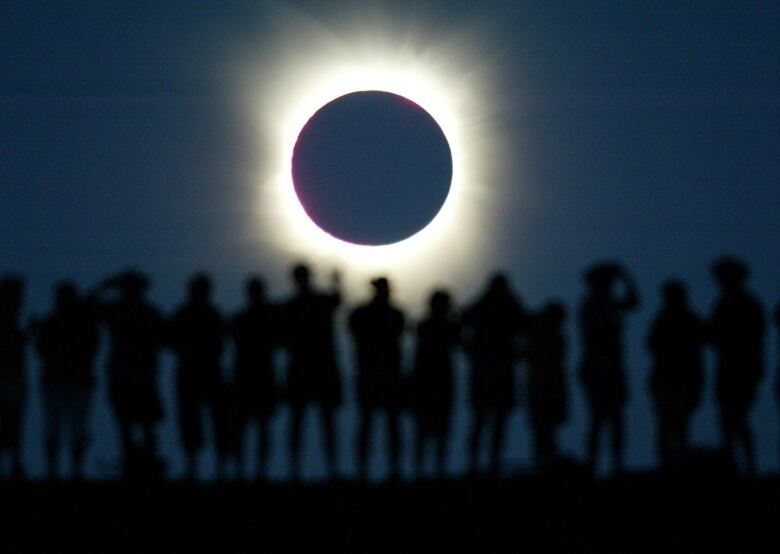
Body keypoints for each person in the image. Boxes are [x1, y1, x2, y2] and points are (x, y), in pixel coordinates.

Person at [92, 269, 166, 478]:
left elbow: (167, 339)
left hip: (141, 379)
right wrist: (107, 284)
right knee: (127, 424)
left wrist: (107, 285)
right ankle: (132, 462)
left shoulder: (149, 312)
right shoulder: (119, 310)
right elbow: (87, 304)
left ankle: (146, 462)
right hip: (124, 378)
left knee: (145, 425)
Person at [279, 264, 342, 480]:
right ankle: (325, 470)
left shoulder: (290, 306)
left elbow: (282, 340)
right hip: (316, 369)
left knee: (308, 421)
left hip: (305, 369)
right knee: (317, 421)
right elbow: (337, 300)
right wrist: (336, 281)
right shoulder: (315, 303)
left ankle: (298, 471)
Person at [461, 273, 525, 476]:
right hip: (492, 367)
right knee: (489, 419)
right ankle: (482, 465)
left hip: (493, 367)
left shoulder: (487, 305)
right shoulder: (498, 305)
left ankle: (484, 465)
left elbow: (525, 328)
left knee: (490, 419)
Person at [579, 261, 639, 476]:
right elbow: (632, 302)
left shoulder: (601, 303)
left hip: (608, 367)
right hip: (599, 367)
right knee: (601, 420)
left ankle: (612, 466)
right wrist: (624, 275)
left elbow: (633, 302)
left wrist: (624, 275)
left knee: (611, 420)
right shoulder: (594, 304)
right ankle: (597, 466)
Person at [36, 281, 100, 479]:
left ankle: (66, 469)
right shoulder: (79, 324)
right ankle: (66, 469)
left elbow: (41, 350)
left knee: (67, 427)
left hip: (68, 381)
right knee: (67, 427)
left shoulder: (52, 323)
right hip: (67, 381)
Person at [168, 273, 226, 480]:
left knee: (208, 422)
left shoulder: (204, 314)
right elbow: (171, 341)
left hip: (201, 373)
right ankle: (199, 468)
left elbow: (170, 342)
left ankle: (208, 468)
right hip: (197, 374)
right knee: (194, 422)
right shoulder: (207, 313)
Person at [710, 257, 764, 475]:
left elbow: (754, 339)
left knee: (736, 419)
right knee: (730, 420)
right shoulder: (728, 302)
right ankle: (735, 467)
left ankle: (743, 468)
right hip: (731, 369)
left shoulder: (743, 304)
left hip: (739, 370)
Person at [349, 277, 406, 481]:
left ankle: (368, 471)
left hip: (377, 372)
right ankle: (381, 470)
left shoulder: (361, 314)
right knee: (378, 423)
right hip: (380, 372)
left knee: (375, 423)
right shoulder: (395, 314)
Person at [646, 280, 706, 468]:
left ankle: (673, 465)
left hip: (677, 381)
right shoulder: (674, 319)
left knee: (675, 426)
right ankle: (669, 465)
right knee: (672, 426)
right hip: (670, 381)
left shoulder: (676, 319)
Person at [229, 276, 278, 481]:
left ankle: (254, 471)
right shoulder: (245, 319)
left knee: (256, 427)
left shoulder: (241, 319)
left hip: (255, 378)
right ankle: (250, 471)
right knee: (250, 427)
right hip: (251, 378)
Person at [412, 289, 459, 478]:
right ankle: (427, 472)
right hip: (432, 383)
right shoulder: (430, 326)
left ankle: (431, 471)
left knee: (434, 432)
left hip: (435, 383)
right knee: (429, 431)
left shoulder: (425, 325)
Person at [525, 301, 568, 471]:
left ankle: (546, 460)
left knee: (545, 428)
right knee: (542, 428)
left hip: (545, 386)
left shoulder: (549, 335)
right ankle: (544, 462)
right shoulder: (541, 334)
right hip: (541, 386)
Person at [0, 276, 26, 480]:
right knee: (11, 421)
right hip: (10, 377)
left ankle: (14, 463)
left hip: (14, 377)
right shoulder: (8, 319)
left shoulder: (13, 318)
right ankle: (14, 464)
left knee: (13, 421)